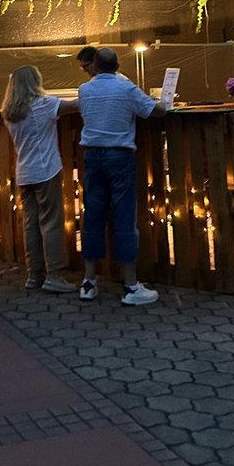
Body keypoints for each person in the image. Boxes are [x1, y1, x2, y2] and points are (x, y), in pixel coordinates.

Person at [77, 47, 167, 306]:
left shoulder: (84, 90)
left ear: (95, 65)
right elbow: (155, 111)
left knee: (92, 217)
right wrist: (165, 103)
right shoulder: (126, 88)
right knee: (124, 218)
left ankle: (88, 282)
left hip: (92, 156)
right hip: (119, 156)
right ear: (117, 66)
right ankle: (130, 286)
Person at [1, 66, 78, 294]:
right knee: (51, 223)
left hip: (24, 173)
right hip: (46, 171)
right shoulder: (44, 104)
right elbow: (77, 105)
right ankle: (54, 275)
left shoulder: (9, 111)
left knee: (31, 225)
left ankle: (34, 275)